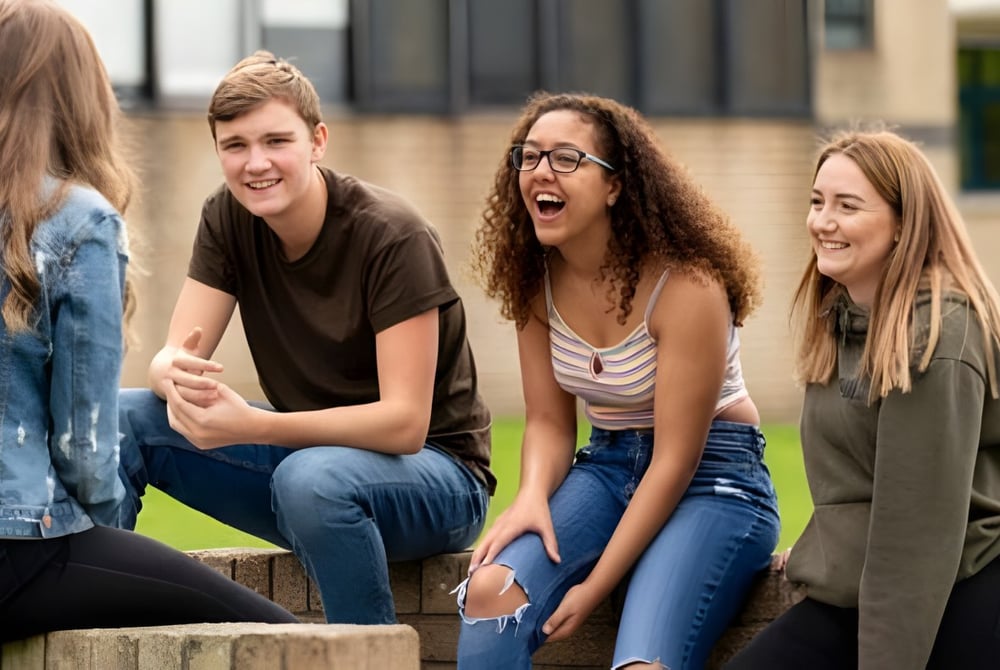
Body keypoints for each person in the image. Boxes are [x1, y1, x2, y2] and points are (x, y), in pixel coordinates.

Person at [117, 50, 494, 626]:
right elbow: (178, 356)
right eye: (235, 145)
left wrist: (256, 425)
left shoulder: (392, 235)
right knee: (127, 421)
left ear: (318, 140)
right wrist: (167, 370)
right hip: (311, 464)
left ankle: (367, 661)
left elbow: (405, 423)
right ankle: (84, 634)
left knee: (311, 479)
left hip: (437, 479)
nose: (255, 163)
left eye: (275, 141)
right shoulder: (228, 217)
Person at [0, 0, 299, 641]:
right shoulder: (77, 219)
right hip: (18, 546)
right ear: (82, 95)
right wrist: (106, 530)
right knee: (286, 634)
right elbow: (82, 442)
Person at [455, 91, 780, 670]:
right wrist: (531, 496)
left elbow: (675, 462)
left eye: (566, 159)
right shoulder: (534, 280)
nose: (539, 173)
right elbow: (551, 424)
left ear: (615, 185)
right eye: (528, 158)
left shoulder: (687, 287)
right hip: (607, 467)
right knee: (489, 593)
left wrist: (596, 585)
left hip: (715, 478)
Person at [724, 129, 1000, 669]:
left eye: (847, 206)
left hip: (958, 585)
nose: (823, 222)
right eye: (817, 201)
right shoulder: (845, 318)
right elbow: (854, 485)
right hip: (858, 585)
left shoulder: (936, 338)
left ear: (903, 224)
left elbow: (914, 538)